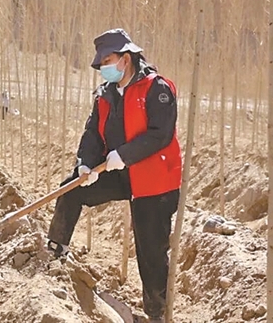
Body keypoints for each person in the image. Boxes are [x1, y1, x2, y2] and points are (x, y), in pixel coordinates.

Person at [45, 29, 181, 323]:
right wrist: (85, 164)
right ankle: (54, 253)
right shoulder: (105, 94)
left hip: (154, 179)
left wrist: (125, 155)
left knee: (150, 249)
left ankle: (156, 313)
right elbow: (93, 133)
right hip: (118, 172)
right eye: (102, 63)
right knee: (72, 189)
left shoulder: (156, 89)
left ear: (126, 58)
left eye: (108, 60)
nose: (104, 67)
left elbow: (161, 134)